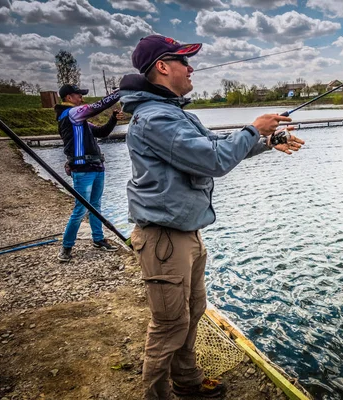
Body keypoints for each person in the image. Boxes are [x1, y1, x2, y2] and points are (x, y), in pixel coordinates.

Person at [119, 35, 305, 399]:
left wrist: (267, 141)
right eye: (184, 62)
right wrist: (254, 128)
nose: (191, 69)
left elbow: (216, 149)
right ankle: (156, 395)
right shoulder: (155, 118)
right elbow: (213, 162)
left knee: (192, 313)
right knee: (169, 326)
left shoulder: (174, 114)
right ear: (162, 67)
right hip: (164, 240)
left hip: (186, 235)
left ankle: (187, 384)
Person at [55, 84, 124, 262]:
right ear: (69, 98)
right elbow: (97, 106)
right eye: (79, 96)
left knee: (96, 206)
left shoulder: (80, 121)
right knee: (80, 209)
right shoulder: (71, 113)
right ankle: (66, 247)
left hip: (96, 167)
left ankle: (98, 239)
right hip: (82, 170)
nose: (82, 99)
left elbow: (102, 133)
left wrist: (114, 119)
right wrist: (118, 93)